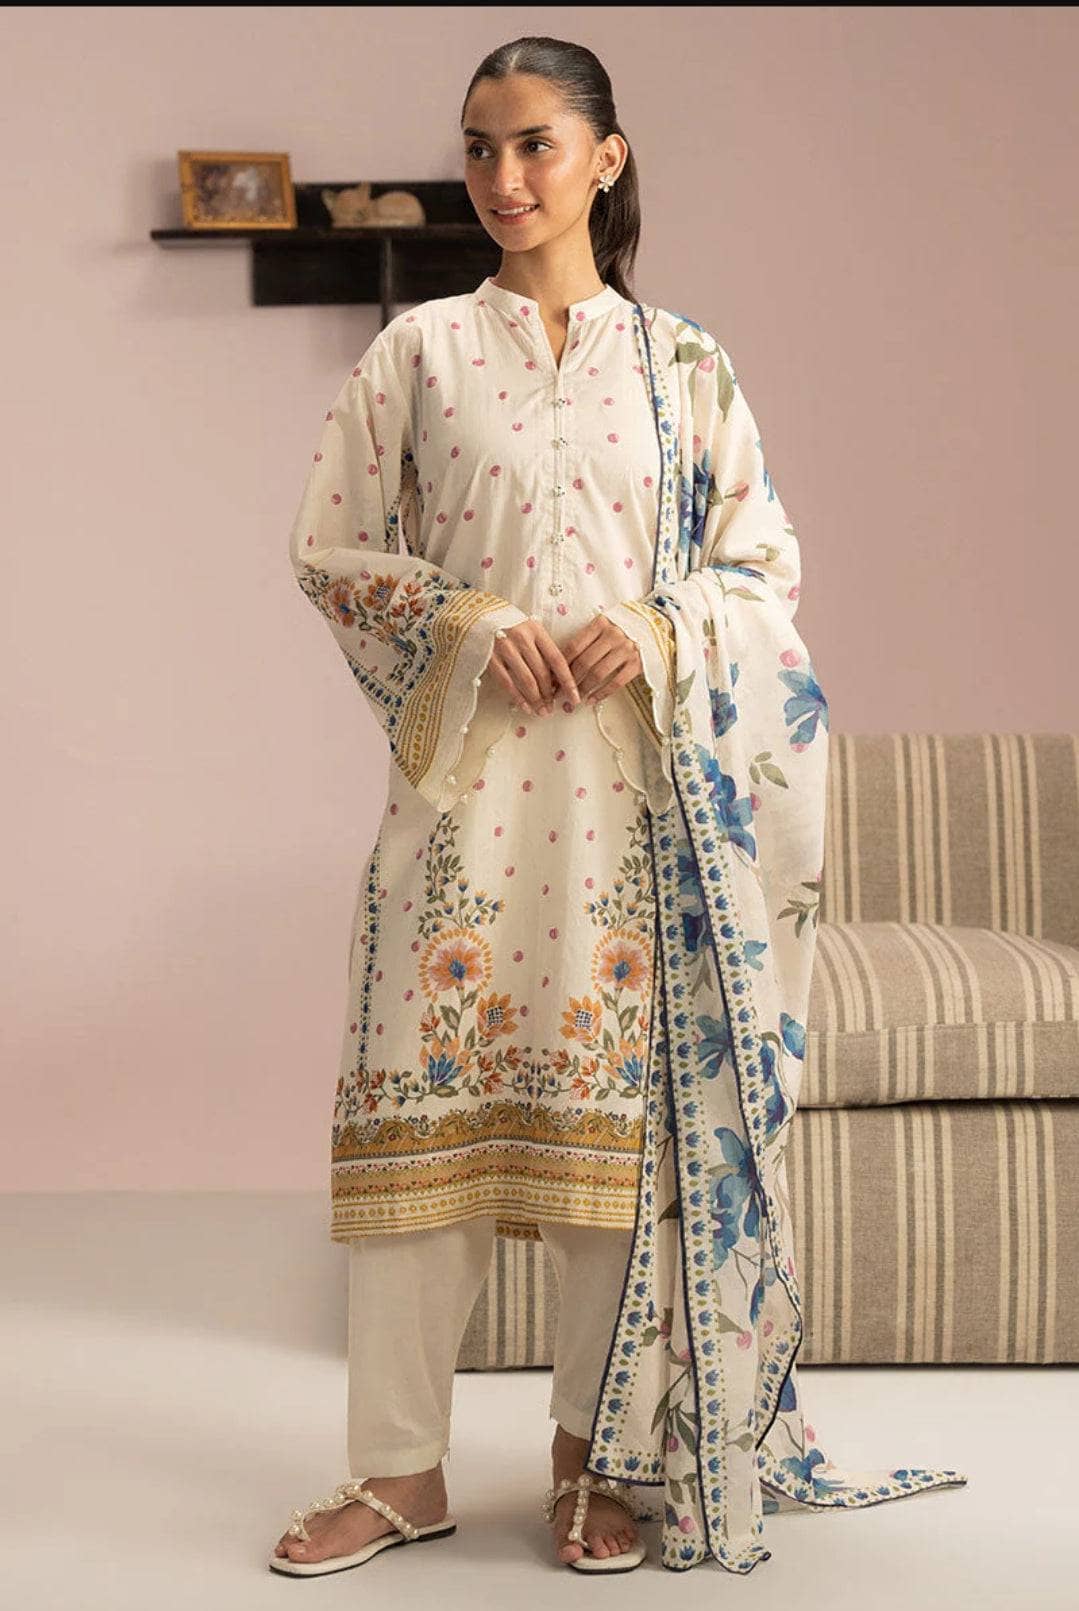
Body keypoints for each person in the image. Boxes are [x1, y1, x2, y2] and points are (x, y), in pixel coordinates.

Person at [270, 33, 966, 1581]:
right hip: (461, 812)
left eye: (533, 146)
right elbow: (331, 549)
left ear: (607, 156)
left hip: (635, 817)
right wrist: (463, 621)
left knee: (615, 1168)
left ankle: (597, 1470)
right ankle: (398, 1475)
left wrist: (655, 632)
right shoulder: (418, 356)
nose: (503, 179)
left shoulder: (685, 367)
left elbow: (761, 568)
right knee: (413, 1148)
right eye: (478, 148)